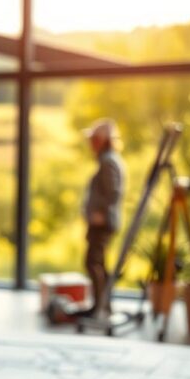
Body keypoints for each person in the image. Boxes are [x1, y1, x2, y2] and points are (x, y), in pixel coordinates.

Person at [82, 118, 125, 317]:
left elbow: (114, 192)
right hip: (101, 222)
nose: (91, 143)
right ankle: (103, 305)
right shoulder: (105, 159)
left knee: (93, 262)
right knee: (99, 263)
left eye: (94, 139)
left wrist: (101, 213)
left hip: (103, 223)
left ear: (102, 140)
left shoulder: (109, 161)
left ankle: (99, 306)